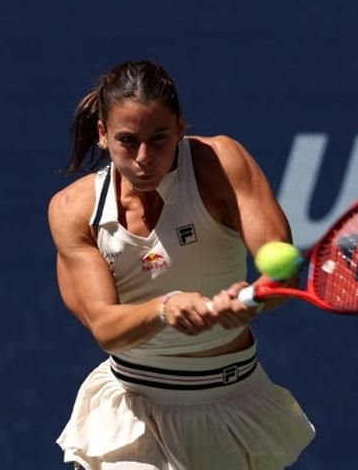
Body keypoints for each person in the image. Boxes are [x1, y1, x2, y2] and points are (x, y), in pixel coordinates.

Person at [49, 60, 315, 469]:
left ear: (180, 127)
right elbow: (104, 326)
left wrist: (254, 299)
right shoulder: (73, 209)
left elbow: (281, 271)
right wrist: (164, 307)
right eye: (127, 140)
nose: (144, 157)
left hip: (230, 400)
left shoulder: (221, 164)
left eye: (159, 138)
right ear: (102, 134)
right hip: (133, 412)